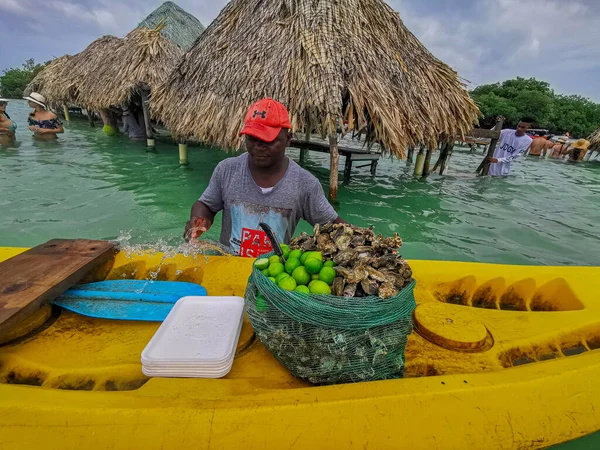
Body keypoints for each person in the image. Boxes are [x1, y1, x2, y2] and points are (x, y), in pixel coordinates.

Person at [184, 98, 346, 257]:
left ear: (288, 139)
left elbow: (333, 227)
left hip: (274, 274)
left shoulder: (305, 184)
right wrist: (199, 220)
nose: (259, 147)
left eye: (268, 140)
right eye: (252, 139)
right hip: (228, 267)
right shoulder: (226, 170)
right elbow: (206, 205)